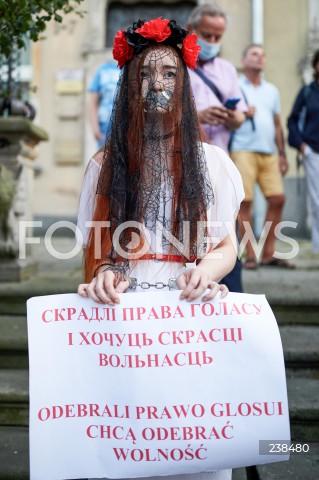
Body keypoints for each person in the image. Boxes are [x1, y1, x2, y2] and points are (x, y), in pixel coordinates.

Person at [77, 17, 244, 480]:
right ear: (129, 85)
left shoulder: (213, 163)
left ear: (185, 83)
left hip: (190, 314)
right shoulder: (103, 165)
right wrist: (105, 272)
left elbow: (226, 246)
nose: (157, 84)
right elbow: (95, 253)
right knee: (130, 443)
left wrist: (206, 271)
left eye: (170, 73)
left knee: (195, 445)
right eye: (145, 74)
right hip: (123, 321)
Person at [186, 2, 247, 291]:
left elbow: (240, 118)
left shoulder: (226, 69)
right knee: (189, 242)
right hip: (182, 166)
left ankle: (231, 307)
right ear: (191, 30)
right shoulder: (175, 64)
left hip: (218, 168)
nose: (211, 42)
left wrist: (232, 116)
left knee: (226, 240)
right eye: (206, 35)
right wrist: (197, 116)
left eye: (217, 37)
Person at [230, 44, 293, 269]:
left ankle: (268, 253)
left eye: (263, 54)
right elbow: (225, 114)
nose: (260, 58)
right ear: (244, 60)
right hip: (242, 149)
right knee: (244, 203)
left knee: (278, 199)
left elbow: (277, 124)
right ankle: (249, 255)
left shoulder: (272, 90)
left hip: (269, 153)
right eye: (254, 54)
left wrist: (283, 154)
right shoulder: (235, 85)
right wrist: (241, 113)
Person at [287, 49, 319, 254]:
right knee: (318, 201)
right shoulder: (307, 92)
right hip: (313, 153)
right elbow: (292, 121)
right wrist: (302, 146)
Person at [87, 61, 120, 148]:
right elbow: (93, 102)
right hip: (105, 127)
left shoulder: (131, 66)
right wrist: (95, 128)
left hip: (127, 124)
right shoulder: (102, 70)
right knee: (105, 159)